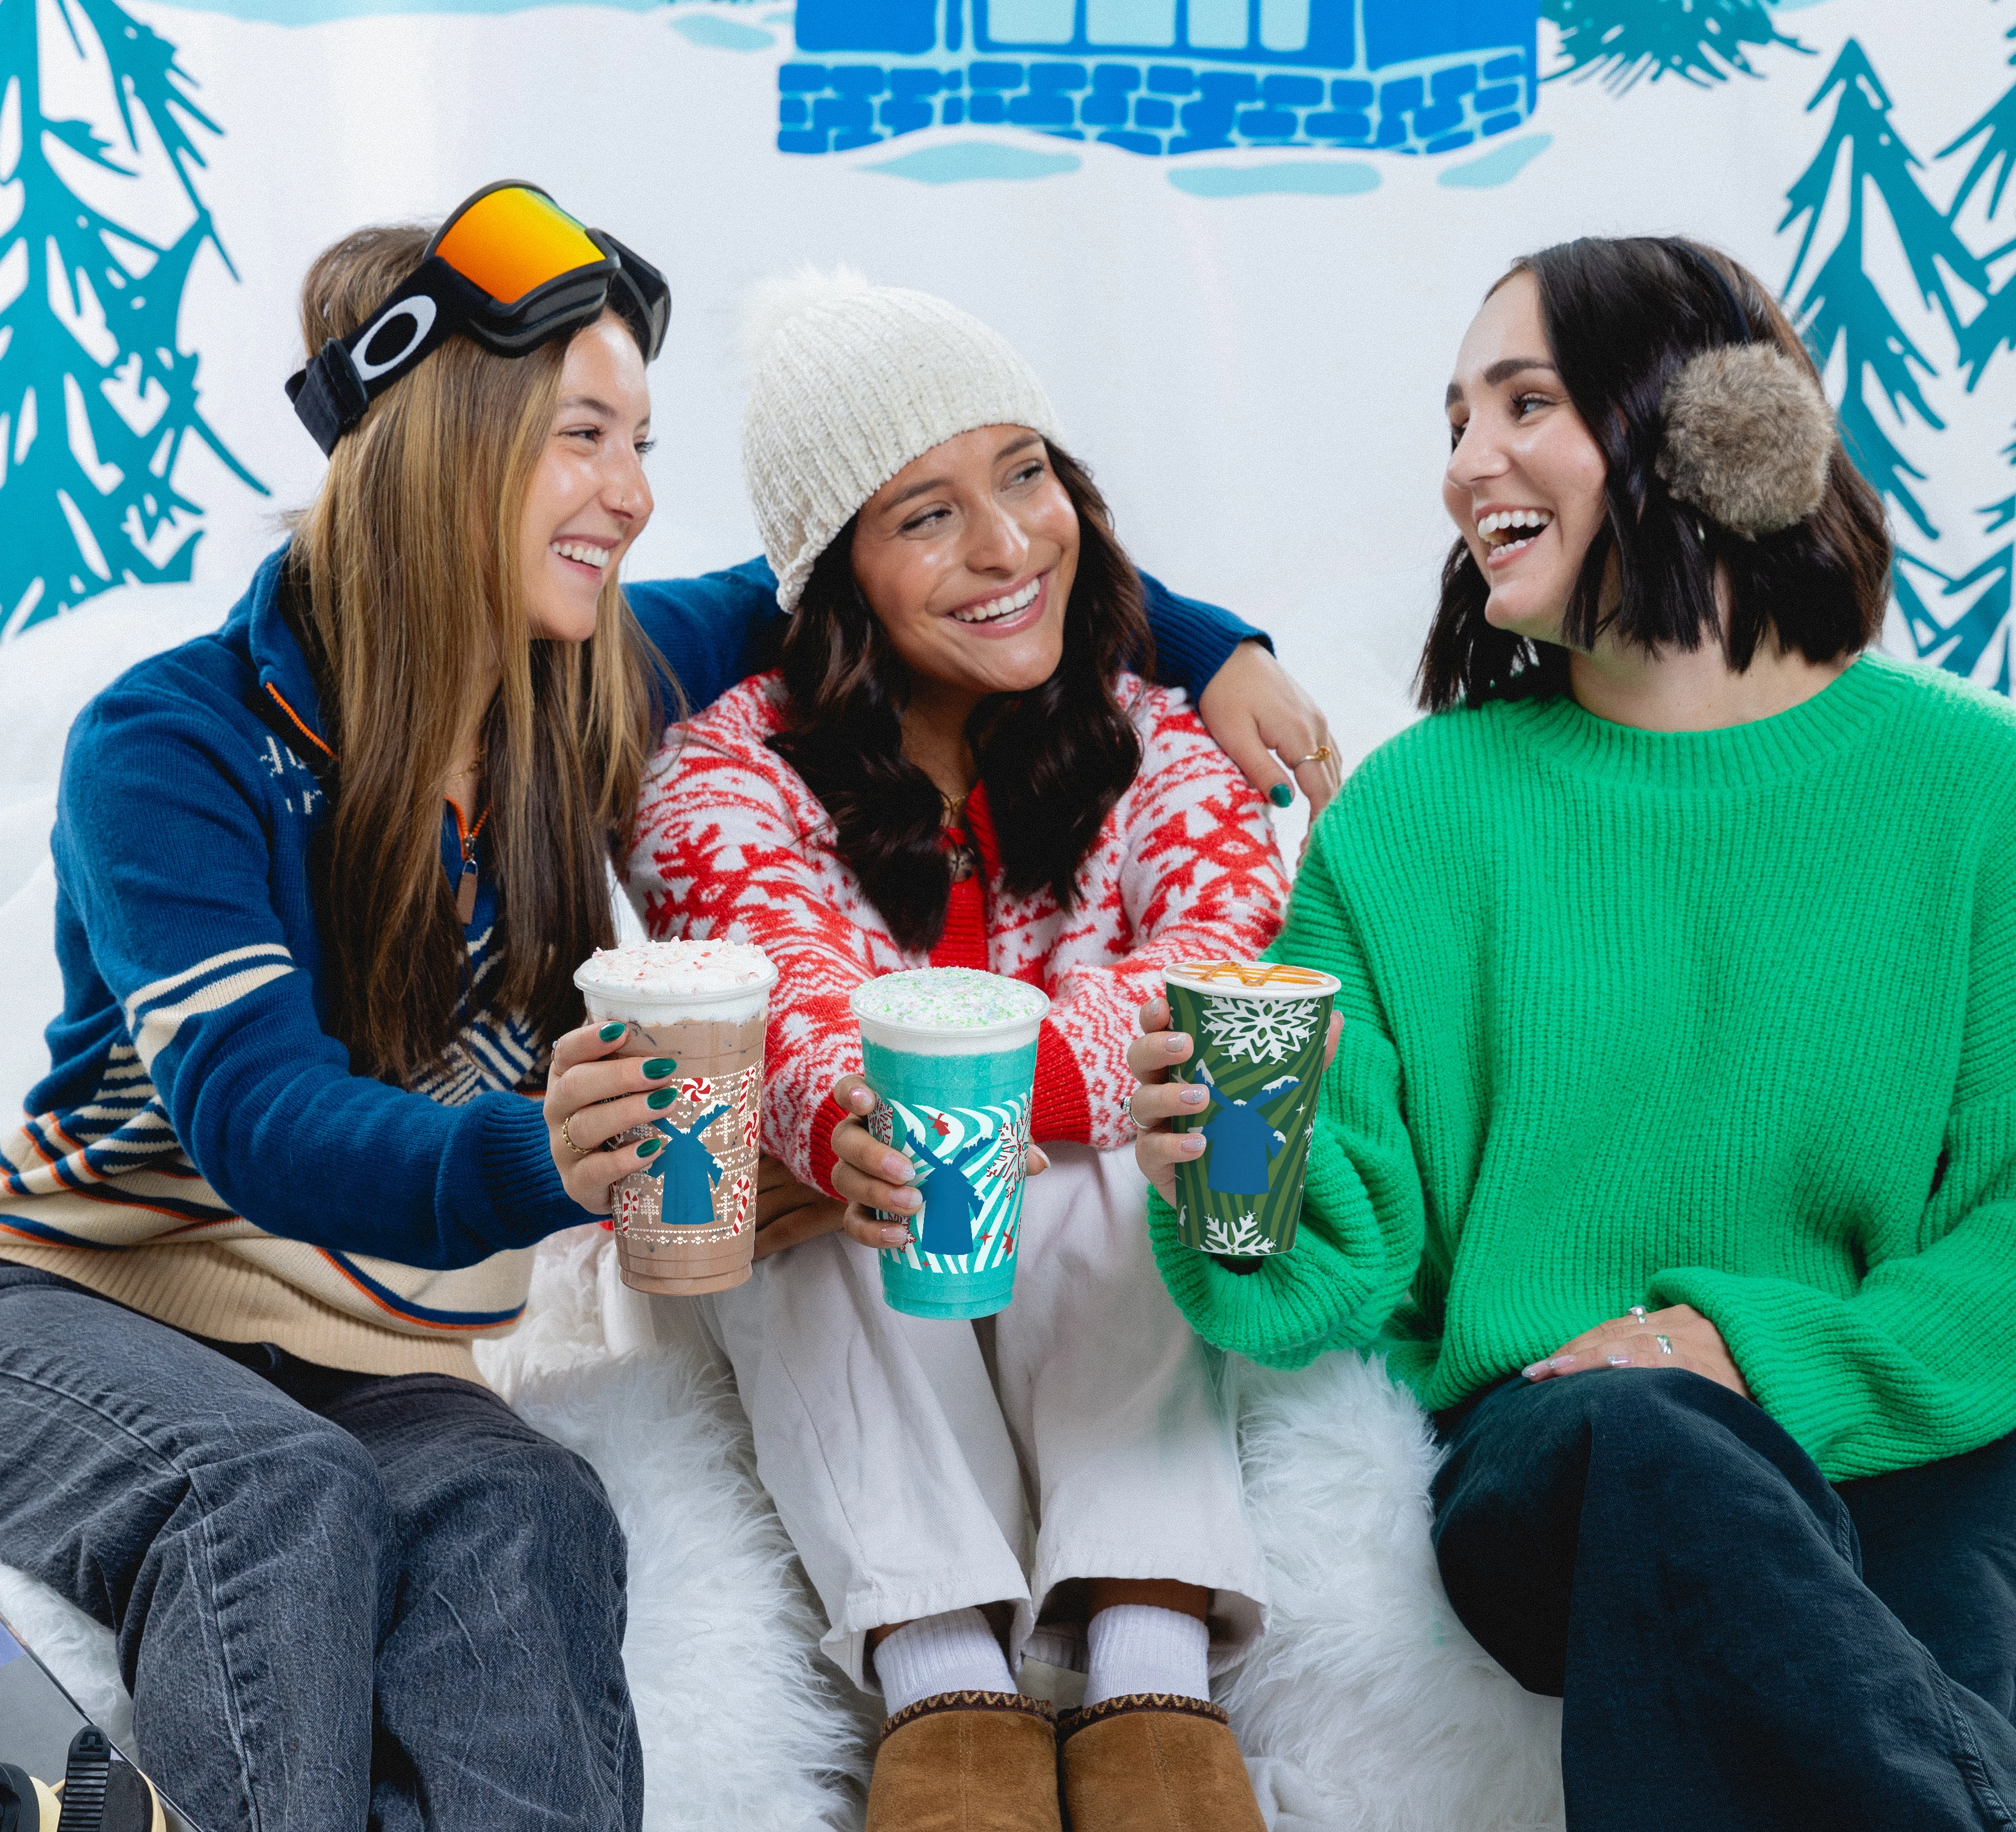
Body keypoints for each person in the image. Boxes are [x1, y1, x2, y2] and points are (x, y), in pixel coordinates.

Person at [0, 186, 1326, 1832]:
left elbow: (901, 559)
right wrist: (565, 1159)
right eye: (586, 436)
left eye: (641, 443)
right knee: (274, 1499)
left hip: (360, 1350)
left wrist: (1215, 646)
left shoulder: (588, 681)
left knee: (530, 1514)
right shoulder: (175, 741)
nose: (633, 496)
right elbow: (257, 1118)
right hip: (78, 1301)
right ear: (438, 446)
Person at [1128, 233, 2016, 1831]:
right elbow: (1334, 1270)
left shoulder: (1974, 790)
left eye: (1522, 403)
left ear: (1721, 429)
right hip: (1567, 1453)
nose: (1469, 468)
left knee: (1965, 1526)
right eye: (1453, 422)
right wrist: (1218, 1171)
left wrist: (1758, 1349)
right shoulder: (1415, 815)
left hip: (1897, 1425)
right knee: (1652, 1443)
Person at [599, 270, 1295, 1832]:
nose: (1006, 545)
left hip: (1086, 1251)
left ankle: (1148, 1651)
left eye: (1028, 474)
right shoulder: (729, 764)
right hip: (863, 1256)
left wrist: (992, 1090)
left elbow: (1218, 959)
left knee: (1149, 1141)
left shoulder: (1158, 738)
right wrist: (859, 1108)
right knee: (794, 1171)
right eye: (924, 513)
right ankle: (942, 1675)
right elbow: (771, 987)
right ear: (837, 568)